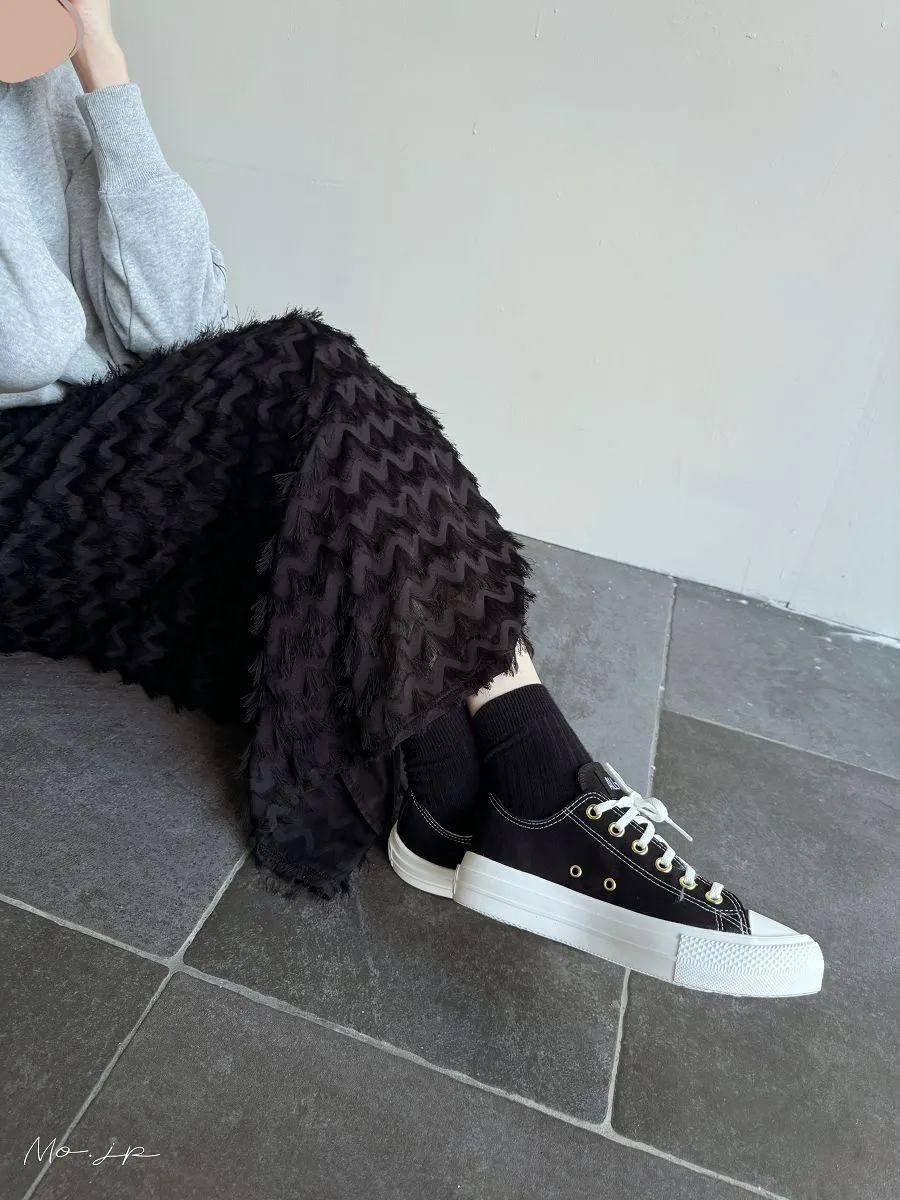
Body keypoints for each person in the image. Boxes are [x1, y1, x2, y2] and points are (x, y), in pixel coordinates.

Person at [0, 0, 823, 999]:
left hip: (107, 452)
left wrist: (103, 66)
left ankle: (451, 799)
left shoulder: (47, 75)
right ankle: (538, 788)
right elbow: (32, 339)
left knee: (320, 486)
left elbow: (179, 325)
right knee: (305, 376)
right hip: (19, 492)